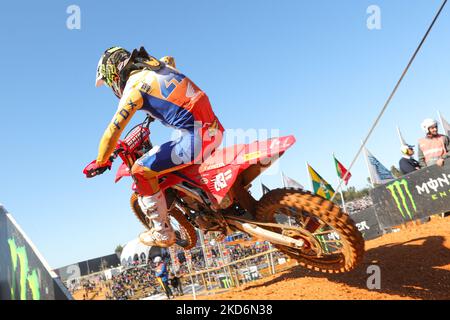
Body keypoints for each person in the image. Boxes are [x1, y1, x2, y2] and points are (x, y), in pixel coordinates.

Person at [85, 46, 224, 247]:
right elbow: (170, 59)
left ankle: (162, 233)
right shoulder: (159, 66)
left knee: (140, 170)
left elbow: (111, 132)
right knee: (173, 150)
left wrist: (100, 162)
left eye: (109, 82)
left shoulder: (134, 88)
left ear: (113, 74)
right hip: (215, 128)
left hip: (196, 141)